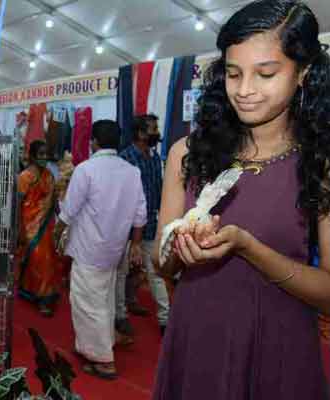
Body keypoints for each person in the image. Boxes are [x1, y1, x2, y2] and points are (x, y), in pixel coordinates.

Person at [152, 1, 330, 399]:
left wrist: (248, 248)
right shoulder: (187, 153)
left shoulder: (320, 162)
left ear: (302, 72)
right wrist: (180, 246)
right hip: (198, 339)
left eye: (265, 74)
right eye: (234, 73)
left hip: (280, 346)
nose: (245, 90)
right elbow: (162, 264)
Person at [55, 120, 147, 380]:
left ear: (93, 141)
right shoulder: (132, 172)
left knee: (87, 303)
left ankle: (103, 359)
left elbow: (69, 210)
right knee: (104, 298)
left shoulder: (86, 170)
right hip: (115, 248)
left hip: (89, 248)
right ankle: (106, 339)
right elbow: (140, 214)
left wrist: (55, 234)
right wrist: (136, 244)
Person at [116, 114, 171, 338]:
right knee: (121, 272)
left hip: (150, 224)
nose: (157, 133)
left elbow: (158, 189)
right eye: (153, 129)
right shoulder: (125, 158)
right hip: (126, 227)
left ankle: (166, 320)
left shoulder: (154, 157)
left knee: (155, 271)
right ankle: (120, 316)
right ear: (140, 133)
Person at [16, 140, 63, 317]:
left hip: (46, 226)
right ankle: (33, 292)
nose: (44, 158)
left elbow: (54, 200)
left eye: (46, 154)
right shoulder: (25, 177)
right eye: (41, 154)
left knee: (47, 262)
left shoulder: (49, 175)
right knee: (34, 261)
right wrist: (19, 229)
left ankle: (44, 297)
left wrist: (61, 219)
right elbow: (17, 204)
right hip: (28, 227)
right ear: (33, 156)